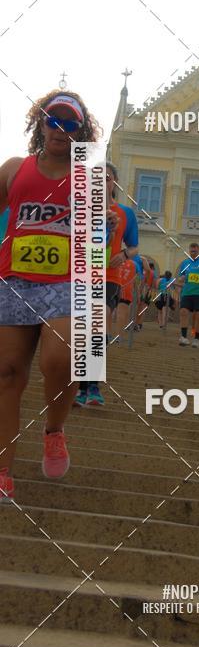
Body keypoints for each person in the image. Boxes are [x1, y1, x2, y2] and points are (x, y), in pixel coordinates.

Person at [0, 90, 101, 502]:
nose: (60, 129)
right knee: (7, 374)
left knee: (62, 362)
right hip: (14, 280)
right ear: (40, 122)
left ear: (80, 130)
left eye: (69, 123)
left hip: (66, 281)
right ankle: (3, 469)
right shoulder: (13, 168)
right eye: (53, 120)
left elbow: (96, 234)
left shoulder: (89, 172)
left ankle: (54, 430)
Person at [75, 162, 138, 406]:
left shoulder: (125, 213)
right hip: (80, 275)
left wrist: (123, 255)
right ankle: (82, 387)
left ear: (115, 182)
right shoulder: (80, 210)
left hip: (109, 276)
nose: (103, 182)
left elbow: (134, 246)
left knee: (99, 325)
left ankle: (93, 386)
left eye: (108, 178)